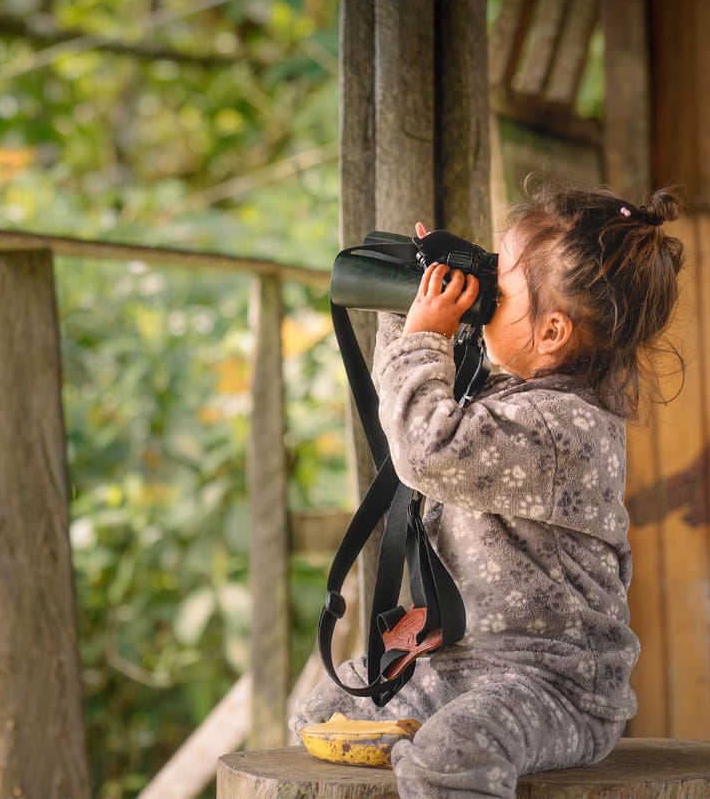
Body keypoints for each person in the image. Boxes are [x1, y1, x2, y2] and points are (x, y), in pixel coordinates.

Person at [290, 183, 686, 798]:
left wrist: (425, 335)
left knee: (453, 753)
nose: (485, 288)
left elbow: (426, 448)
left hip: (553, 683)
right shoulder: (519, 399)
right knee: (321, 715)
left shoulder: (566, 430)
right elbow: (415, 417)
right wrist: (410, 300)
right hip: (457, 666)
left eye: (499, 282)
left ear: (552, 332)